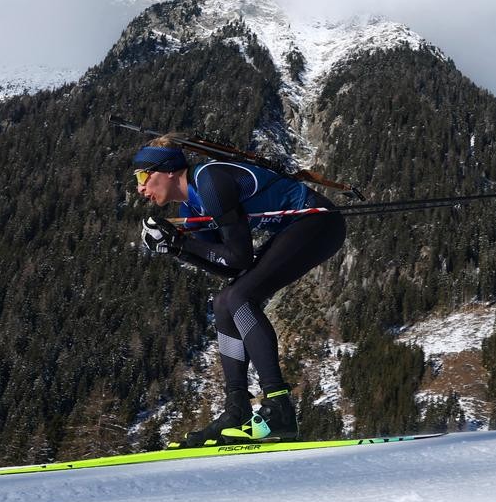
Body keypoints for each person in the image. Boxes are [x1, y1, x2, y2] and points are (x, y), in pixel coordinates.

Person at [133, 136, 347, 448]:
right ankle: (237, 409)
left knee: (240, 298)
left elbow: (240, 257)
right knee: (223, 303)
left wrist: (182, 242)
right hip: (294, 229)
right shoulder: (192, 206)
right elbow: (229, 268)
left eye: (142, 177)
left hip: (317, 222)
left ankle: (279, 407)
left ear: (165, 170)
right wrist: (177, 248)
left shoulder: (210, 180)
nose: (140, 188)